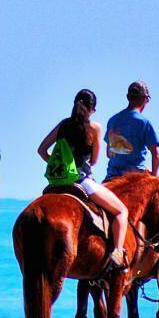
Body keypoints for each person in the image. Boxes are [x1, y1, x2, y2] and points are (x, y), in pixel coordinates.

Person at [104, 80, 159, 279]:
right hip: (136, 180)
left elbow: (109, 152)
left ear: (128, 98)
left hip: (112, 178)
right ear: (144, 100)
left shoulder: (113, 121)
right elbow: (156, 154)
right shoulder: (144, 123)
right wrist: (153, 177)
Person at [38, 89, 129, 269]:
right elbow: (94, 161)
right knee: (121, 211)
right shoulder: (95, 127)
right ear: (92, 109)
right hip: (82, 181)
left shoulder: (63, 125)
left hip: (56, 183)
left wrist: (59, 164)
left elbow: (41, 150)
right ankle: (118, 252)